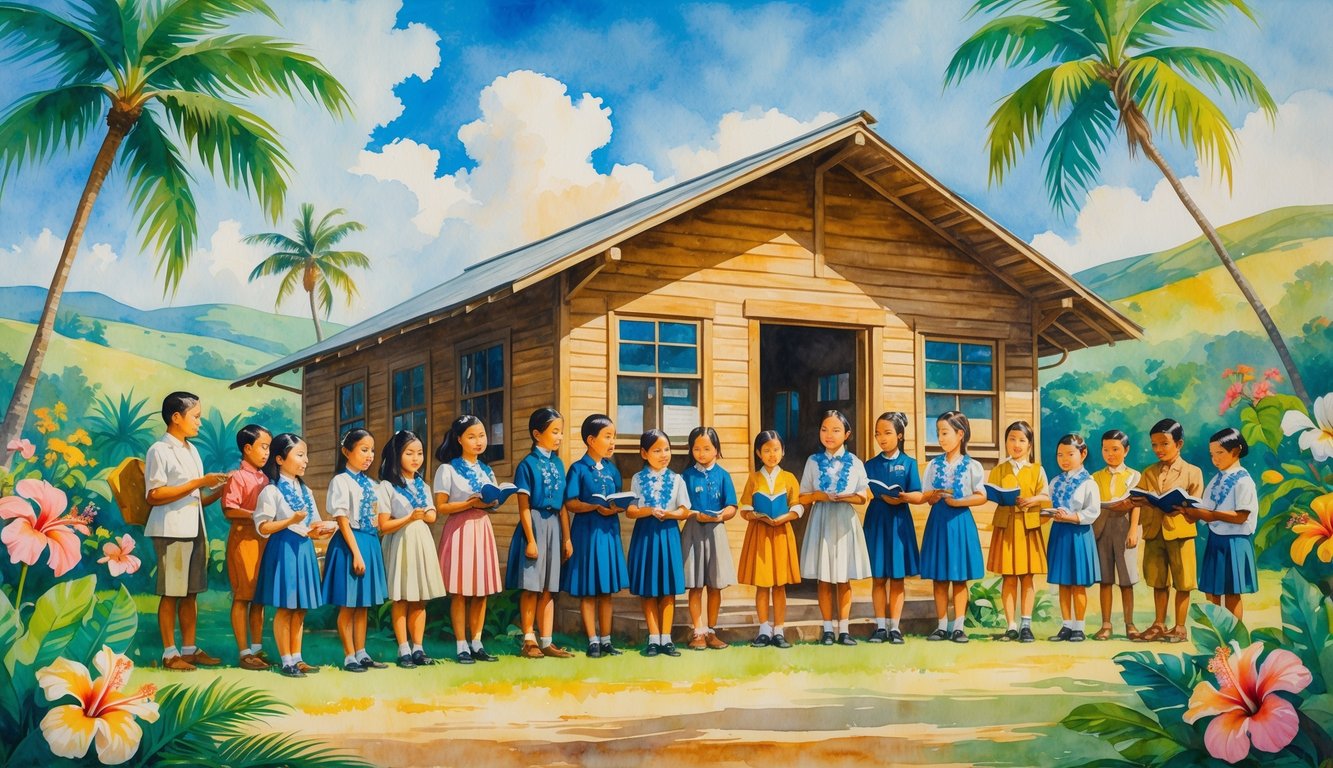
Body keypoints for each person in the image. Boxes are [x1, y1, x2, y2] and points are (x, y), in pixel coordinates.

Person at [144, 391, 229, 671]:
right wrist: (199, 482)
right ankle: (170, 653)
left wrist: (216, 490)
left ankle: (189, 649)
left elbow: (193, 498)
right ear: (176, 417)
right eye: (196, 417)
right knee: (172, 592)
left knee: (191, 592)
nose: (199, 423)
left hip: (194, 528)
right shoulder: (159, 450)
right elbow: (154, 495)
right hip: (171, 530)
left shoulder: (191, 451)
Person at [253, 433, 335, 677]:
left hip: (303, 549)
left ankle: (297, 658)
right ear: (279, 458)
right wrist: (290, 520)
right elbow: (263, 527)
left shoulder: (305, 490)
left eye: (305, 455)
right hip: (283, 550)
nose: (306, 460)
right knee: (286, 608)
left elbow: (313, 523)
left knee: (300, 609)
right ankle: (286, 660)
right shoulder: (271, 491)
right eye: (300, 455)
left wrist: (325, 527)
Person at [505, 408, 575, 658]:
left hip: (554, 525)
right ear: (537, 434)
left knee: (549, 587)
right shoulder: (527, 465)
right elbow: (523, 506)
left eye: (561, 432)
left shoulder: (558, 463)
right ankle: (528, 639)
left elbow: (564, 505)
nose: (559, 437)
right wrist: (531, 540)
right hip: (533, 524)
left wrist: (566, 538)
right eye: (554, 432)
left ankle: (547, 641)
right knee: (532, 587)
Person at [435, 415, 505, 664]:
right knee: (461, 592)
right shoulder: (448, 469)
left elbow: (492, 502)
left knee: (481, 591)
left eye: (482, 436)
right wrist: (468, 503)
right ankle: (461, 644)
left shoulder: (487, 470)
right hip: (459, 529)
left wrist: (493, 501)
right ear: (459, 439)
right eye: (472, 436)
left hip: (481, 527)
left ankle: (477, 642)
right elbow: (441, 507)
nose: (478, 441)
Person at [799, 410, 872, 646]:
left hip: (844, 521)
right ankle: (828, 628)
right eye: (824, 429)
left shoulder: (856, 463)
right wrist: (818, 495)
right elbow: (803, 496)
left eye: (836, 430)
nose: (829, 435)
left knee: (843, 578)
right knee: (824, 578)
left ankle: (844, 629)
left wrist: (846, 497)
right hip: (821, 519)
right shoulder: (812, 461)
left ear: (847, 434)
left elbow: (864, 496)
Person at [561, 413, 630, 658]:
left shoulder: (613, 470)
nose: (612, 442)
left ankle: (607, 640)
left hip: (609, 532)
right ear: (591, 440)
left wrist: (618, 506)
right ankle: (592, 640)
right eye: (607, 437)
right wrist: (593, 506)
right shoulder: (579, 469)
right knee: (589, 589)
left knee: (606, 590)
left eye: (614, 437)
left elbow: (620, 499)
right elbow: (570, 502)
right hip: (587, 533)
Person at [377, 430, 448, 668]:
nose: (416, 458)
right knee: (402, 598)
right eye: (409, 453)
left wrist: (426, 514)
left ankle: (418, 647)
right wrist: (409, 517)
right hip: (401, 542)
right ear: (397, 455)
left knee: (420, 599)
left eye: (419, 453)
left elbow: (432, 515)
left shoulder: (422, 485)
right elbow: (384, 525)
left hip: (421, 542)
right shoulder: (387, 486)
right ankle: (403, 649)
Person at [1131, 418, 1204, 644]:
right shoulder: (1148, 472)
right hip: (1154, 532)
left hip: (1180, 532)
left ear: (1179, 444)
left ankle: (1180, 627)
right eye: (1154, 445)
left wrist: (1180, 508)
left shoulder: (1193, 472)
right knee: (1158, 580)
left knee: (1183, 581)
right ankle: (1159, 624)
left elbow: (1197, 504)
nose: (1158, 449)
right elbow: (1138, 499)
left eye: (1164, 444)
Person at [324, 429, 390, 672]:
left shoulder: (374, 485)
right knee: (348, 603)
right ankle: (349, 655)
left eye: (372, 450)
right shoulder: (341, 481)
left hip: (370, 542)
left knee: (363, 604)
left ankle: (362, 652)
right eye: (364, 450)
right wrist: (357, 553)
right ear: (346, 452)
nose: (369, 455)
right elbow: (342, 519)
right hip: (350, 544)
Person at [919, 410, 987, 643]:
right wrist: (934, 496)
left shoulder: (972, 466)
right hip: (938, 521)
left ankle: (958, 626)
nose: (941, 438)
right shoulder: (933, 465)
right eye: (938, 433)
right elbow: (926, 496)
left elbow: (981, 496)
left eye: (945, 432)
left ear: (960, 434)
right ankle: (941, 625)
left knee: (959, 577)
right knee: (939, 577)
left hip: (960, 521)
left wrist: (959, 501)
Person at [626, 429, 691, 657]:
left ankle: (667, 638)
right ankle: (653, 638)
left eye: (667, 449)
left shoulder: (677, 479)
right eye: (657, 450)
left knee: (668, 590)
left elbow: (685, 510)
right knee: (649, 589)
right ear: (644, 453)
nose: (663, 454)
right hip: (645, 535)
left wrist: (670, 515)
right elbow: (631, 511)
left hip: (669, 534)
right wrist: (649, 511)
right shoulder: (637, 479)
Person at [737, 430, 802, 649]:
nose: (772, 454)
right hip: (761, 534)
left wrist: (786, 516)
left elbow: (798, 505)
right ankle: (764, 629)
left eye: (776, 450)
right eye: (766, 450)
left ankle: (779, 629)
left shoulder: (789, 478)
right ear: (758, 453)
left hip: (782, 532)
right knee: (763, 585)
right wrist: (754, 515)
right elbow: (744, 508)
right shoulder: (754, 478)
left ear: (783, 452)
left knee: (780, 585)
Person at [986, 421, 1050, 643]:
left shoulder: (1037, 469)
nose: (1016, 444)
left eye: (1022, 440)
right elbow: (989, 494)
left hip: (1028, 527)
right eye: (1012, 439)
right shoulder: (999, 470)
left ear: (1030, 444)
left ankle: (1026, 624)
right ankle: (1011, 625)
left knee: (1027, 577)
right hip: (1006, 527)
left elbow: (1046, 496)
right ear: (1006, 442)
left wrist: (1032, 499)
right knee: (1009, 577)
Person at [863, 412, 924, 645]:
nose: (882, 438)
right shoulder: (870, 464)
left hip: (899, 521)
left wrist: (905, 497)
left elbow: (917, 493)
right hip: (877, 521)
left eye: (887, 433)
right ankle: (880, 626)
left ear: (899, 435)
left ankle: (894, 627)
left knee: (897, 577)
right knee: (878, 577)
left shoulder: (908, 463)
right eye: (878, 434)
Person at [1189, 428, 1258, 619]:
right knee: (1211, 590)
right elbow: (1206, 506)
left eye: (1220, 453)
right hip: (1216, 540)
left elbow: (1241, 515)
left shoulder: (1244, 481)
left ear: (1236, 451)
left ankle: (1234, 635)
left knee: (1231, 592)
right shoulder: (1217, 479)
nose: (1215, 459)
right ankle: (1217, 635)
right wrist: (1189, 509)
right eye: (1212, 455)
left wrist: (1211, 515)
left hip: (1235, 542)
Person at [680, 426, 737, 651]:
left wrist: (722, 515)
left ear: (716, 450)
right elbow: (681, 507)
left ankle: (712, 630)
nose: (701, 453)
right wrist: (695, 513)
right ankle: (698, 631)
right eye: (696, 448)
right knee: (695, 585)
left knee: (715, 586)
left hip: (716, 532)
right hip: (693, 531)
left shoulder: (723, 475)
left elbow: (732, 505)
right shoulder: (685, 475)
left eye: (707, 448)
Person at [221, 424, 272, 670]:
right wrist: (256, 515)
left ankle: (258, 648)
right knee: (243, 596)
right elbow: (229, 509)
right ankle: (243, 651)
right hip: (244, 542)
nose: (266, 453)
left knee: (259, 598)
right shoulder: (237, 477)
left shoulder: (266, 478)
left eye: (269, 448)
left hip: (264, 541)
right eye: (263, 447)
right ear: (247, 448)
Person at [1046, 434, 1102, 643]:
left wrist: (1071, 516)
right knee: (1063, 582)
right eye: (1060, 455)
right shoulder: (1055, 482)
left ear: (1083, 453)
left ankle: (1079, 626)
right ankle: (1066, 625)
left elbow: (1093, 511)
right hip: (1060, 533)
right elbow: (1049, 505)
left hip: (1079, 533)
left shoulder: (1088, 483)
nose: (1064, 459)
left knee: (1078, 583)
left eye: (1070, 454)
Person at [1091, 429, 1141, 640]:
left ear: (1126, 450)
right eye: (1106, 449)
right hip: (1102, 526)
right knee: (1105, 579)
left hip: (1125, 526)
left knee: (1126, 579)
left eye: (1115, 449)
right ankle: (1106, 624)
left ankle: (1130, 624)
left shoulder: (1134, 475)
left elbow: (1136, 504)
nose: (1110, 454)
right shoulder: (1095, 477)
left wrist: (1133, 530)